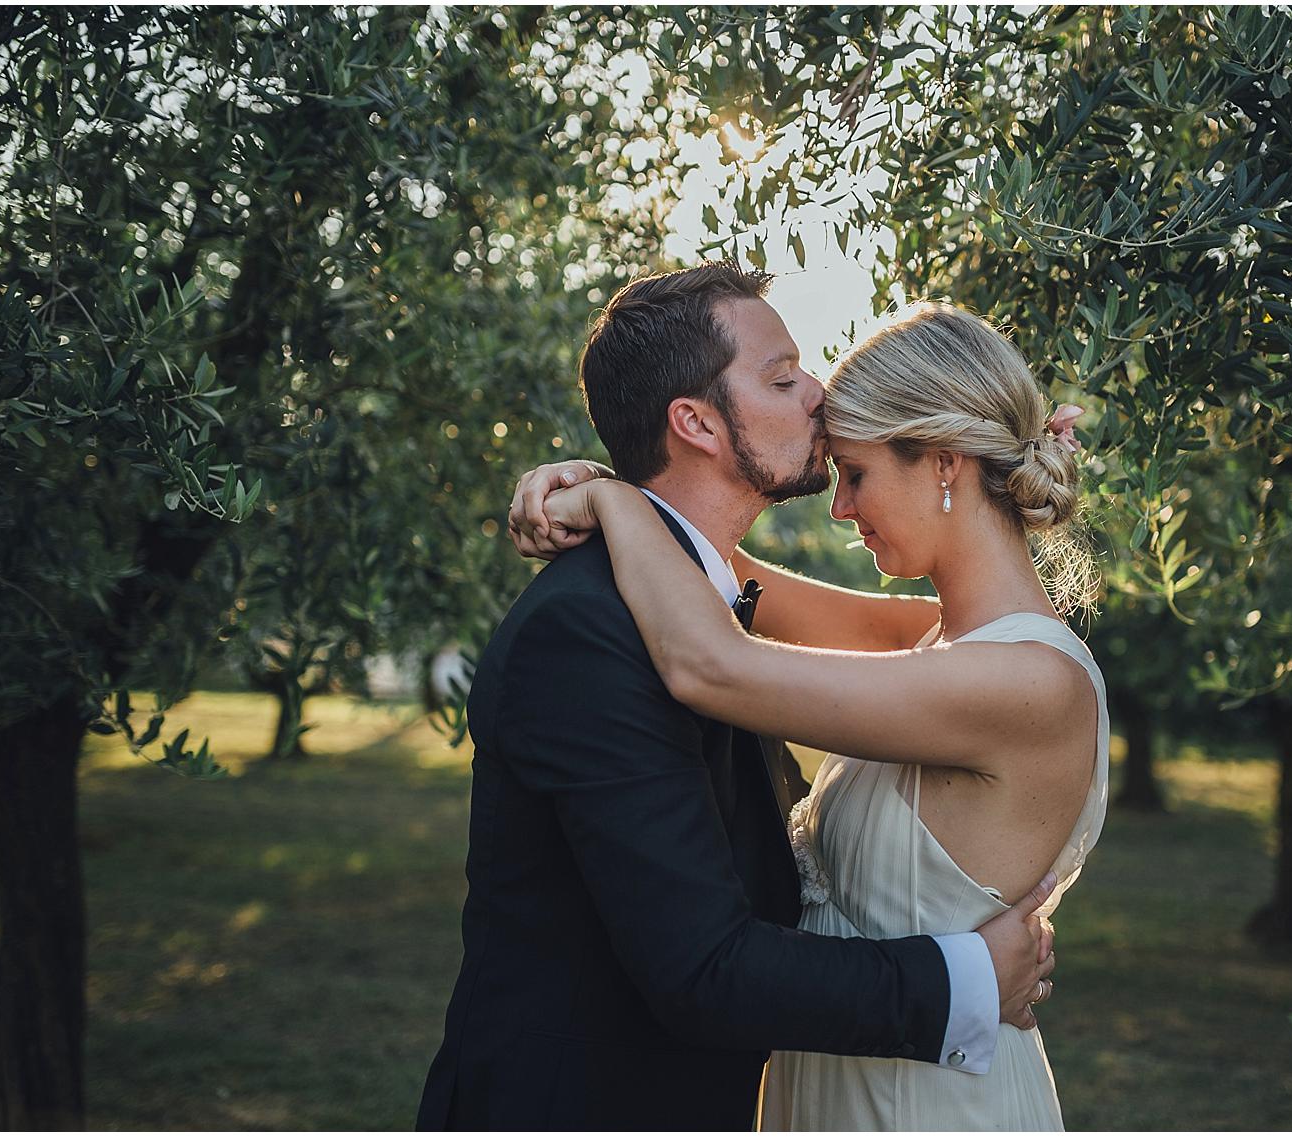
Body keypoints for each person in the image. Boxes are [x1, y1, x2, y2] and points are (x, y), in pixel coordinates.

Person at [416, 264, 1060, 1132]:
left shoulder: (703, 604)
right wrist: (969, 979)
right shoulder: (587, 631)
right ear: (696, 423)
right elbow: (701, 968)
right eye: (783, 375)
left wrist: (612, 495)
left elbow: (893, 636)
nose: (817, 394)